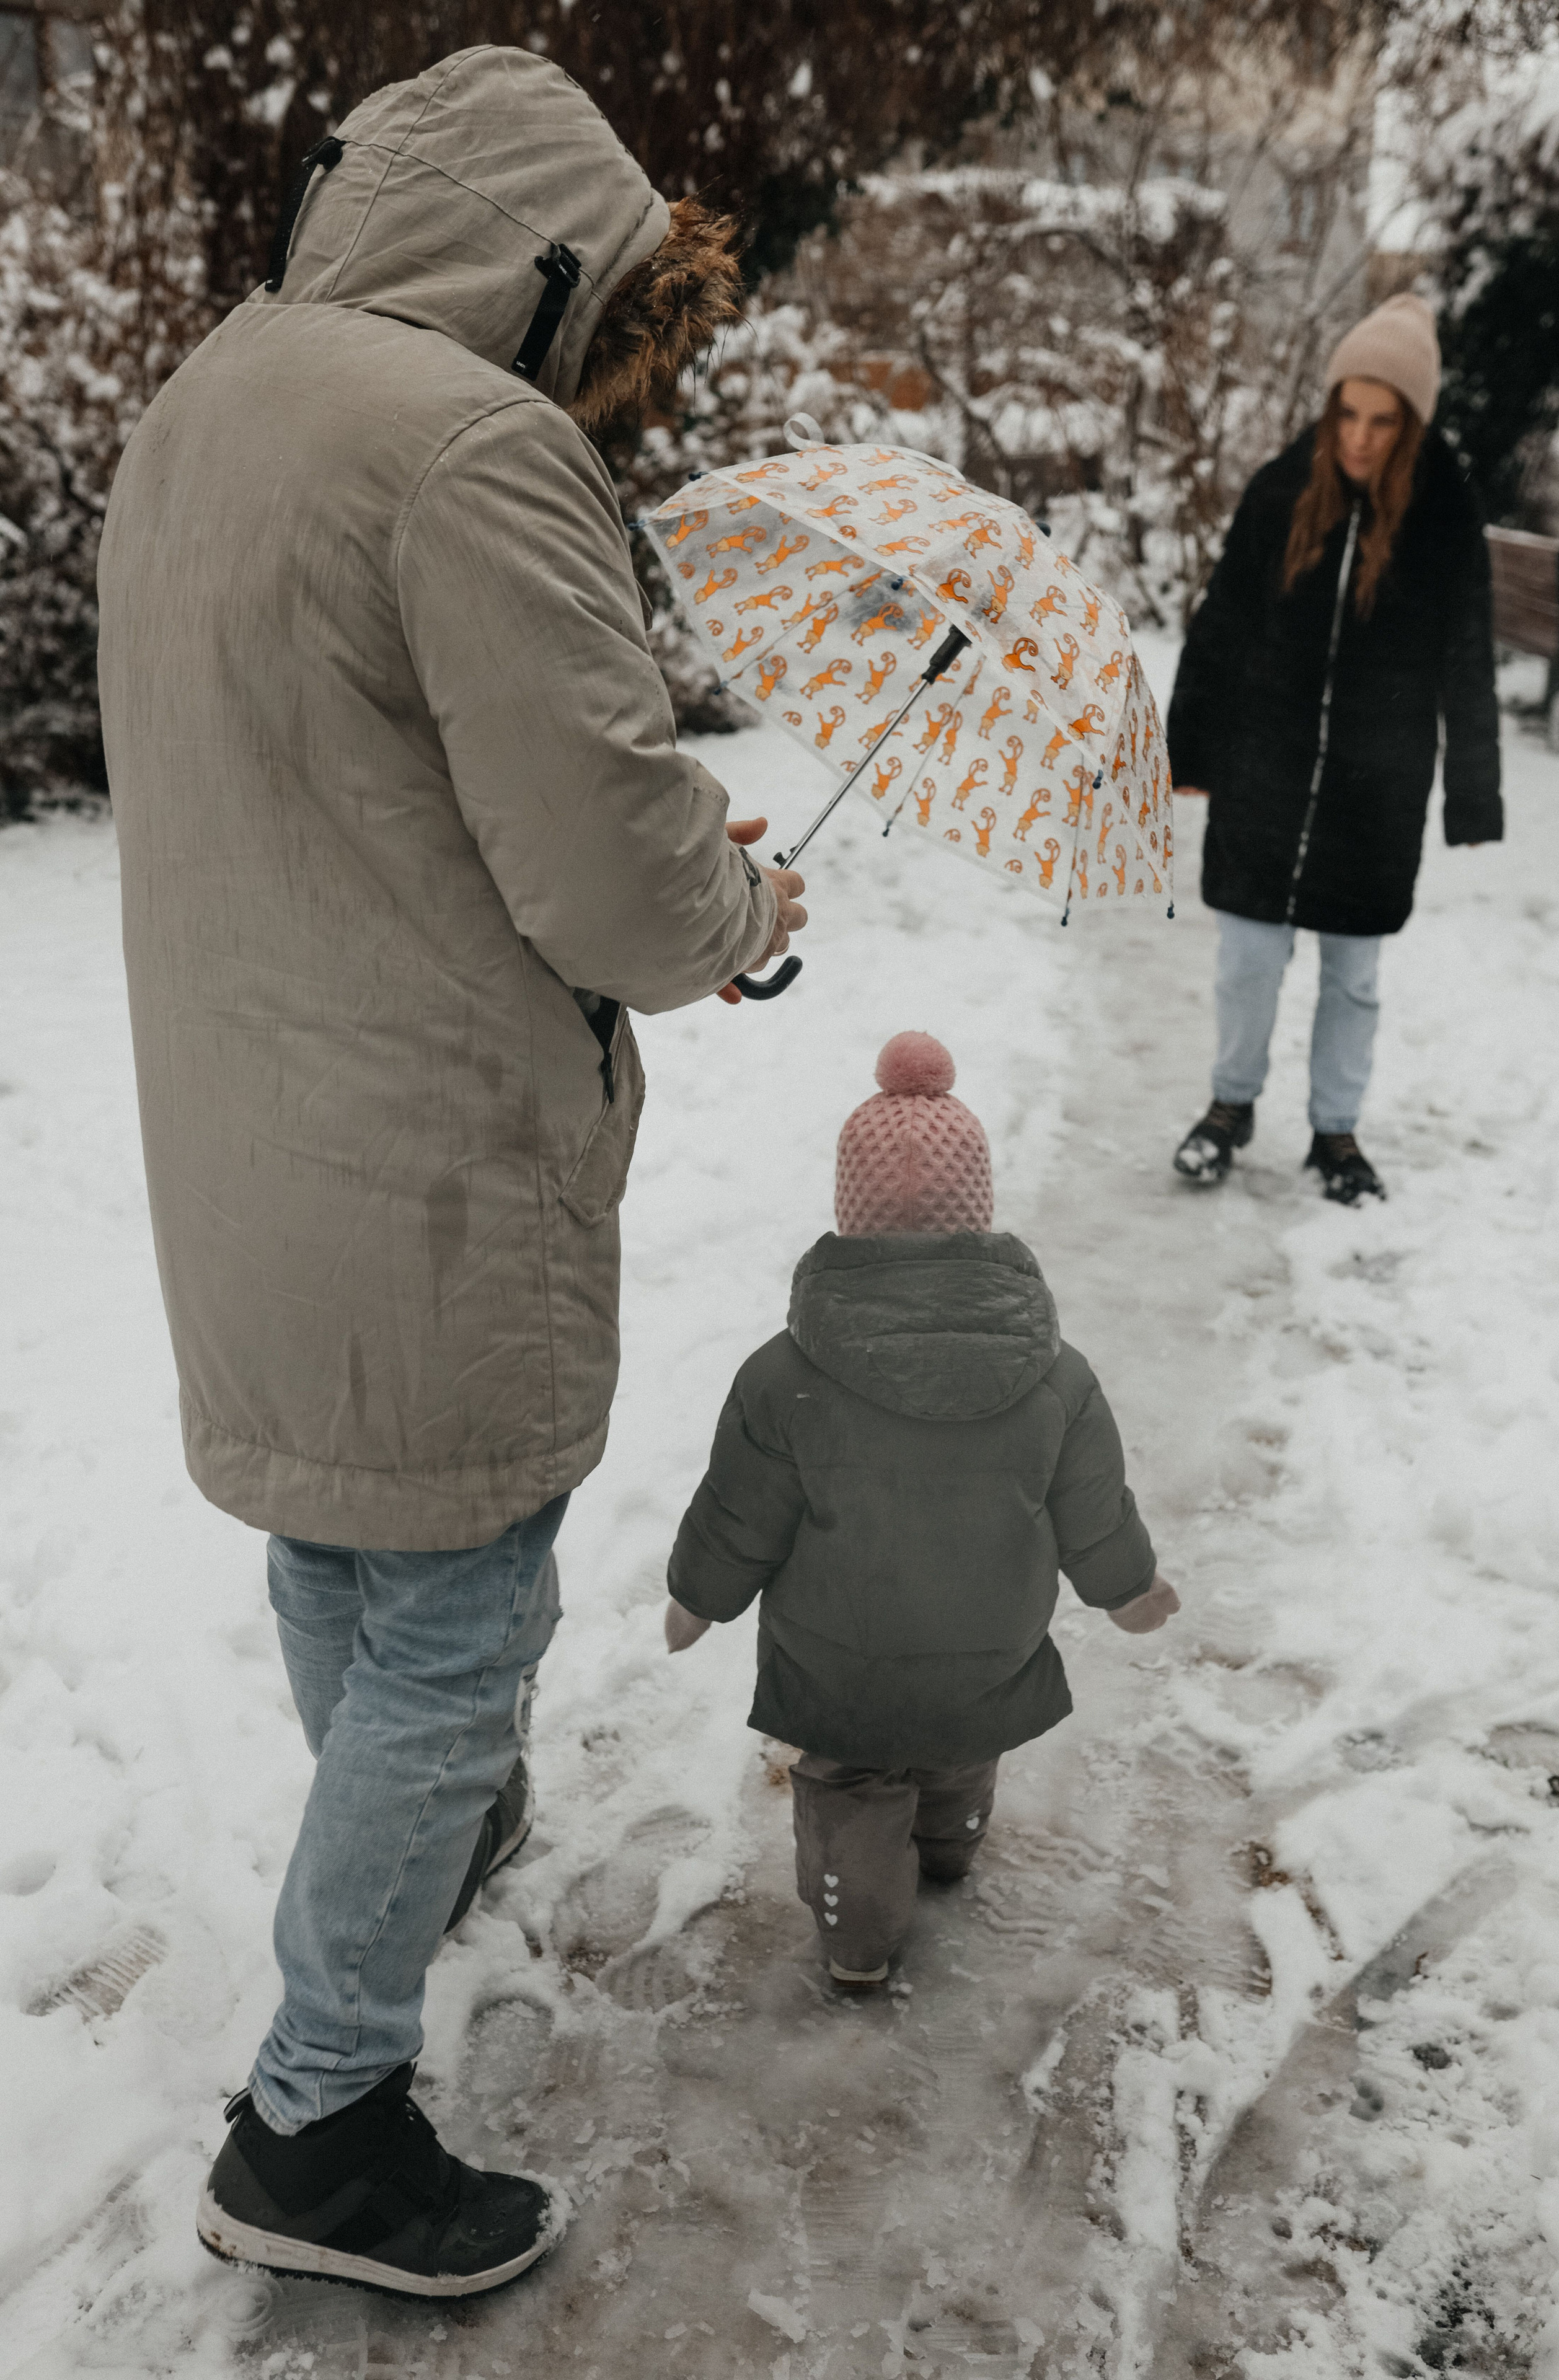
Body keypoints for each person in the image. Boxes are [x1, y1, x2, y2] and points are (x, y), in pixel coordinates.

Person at [96, 48, 806, 2298]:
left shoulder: (203, 403)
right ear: (542, 258)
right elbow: (609, 871)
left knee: (341, 1534)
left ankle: (420, 1838)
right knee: (466, 1604)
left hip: (242, 1124)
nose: (585, 371)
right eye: (591, 322)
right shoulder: (471, 450)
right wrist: (744, 910)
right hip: (427, 1145)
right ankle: (318, 2118)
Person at [662, 1033, 1178, 1988]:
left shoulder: (784, 1378)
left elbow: (741, 1513)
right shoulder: (1055, 1376)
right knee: (958, 1742)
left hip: (838, 1656)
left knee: (852, 1787)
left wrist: (698, 1597)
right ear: (977, 1213)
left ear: (846, 1215)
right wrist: (1130, 1588)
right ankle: (950, 1847)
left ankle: (858, 1944)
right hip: (990, 1644)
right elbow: (1094, 1511)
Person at [1167, 293, 1502, 1204]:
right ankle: (1228, 1109)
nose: (1359, 437)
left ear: (1412, 424)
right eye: (1347, 413)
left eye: (1382, 420)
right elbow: (1223, 621)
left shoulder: (1444, 518)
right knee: (1247, 962)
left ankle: (1336, 1133)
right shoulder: (1281, 492)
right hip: (1264, 771)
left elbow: (1470, 657)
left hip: (1376, 790)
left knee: (1353, 977)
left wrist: (1475, 794)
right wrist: (1190, 746)